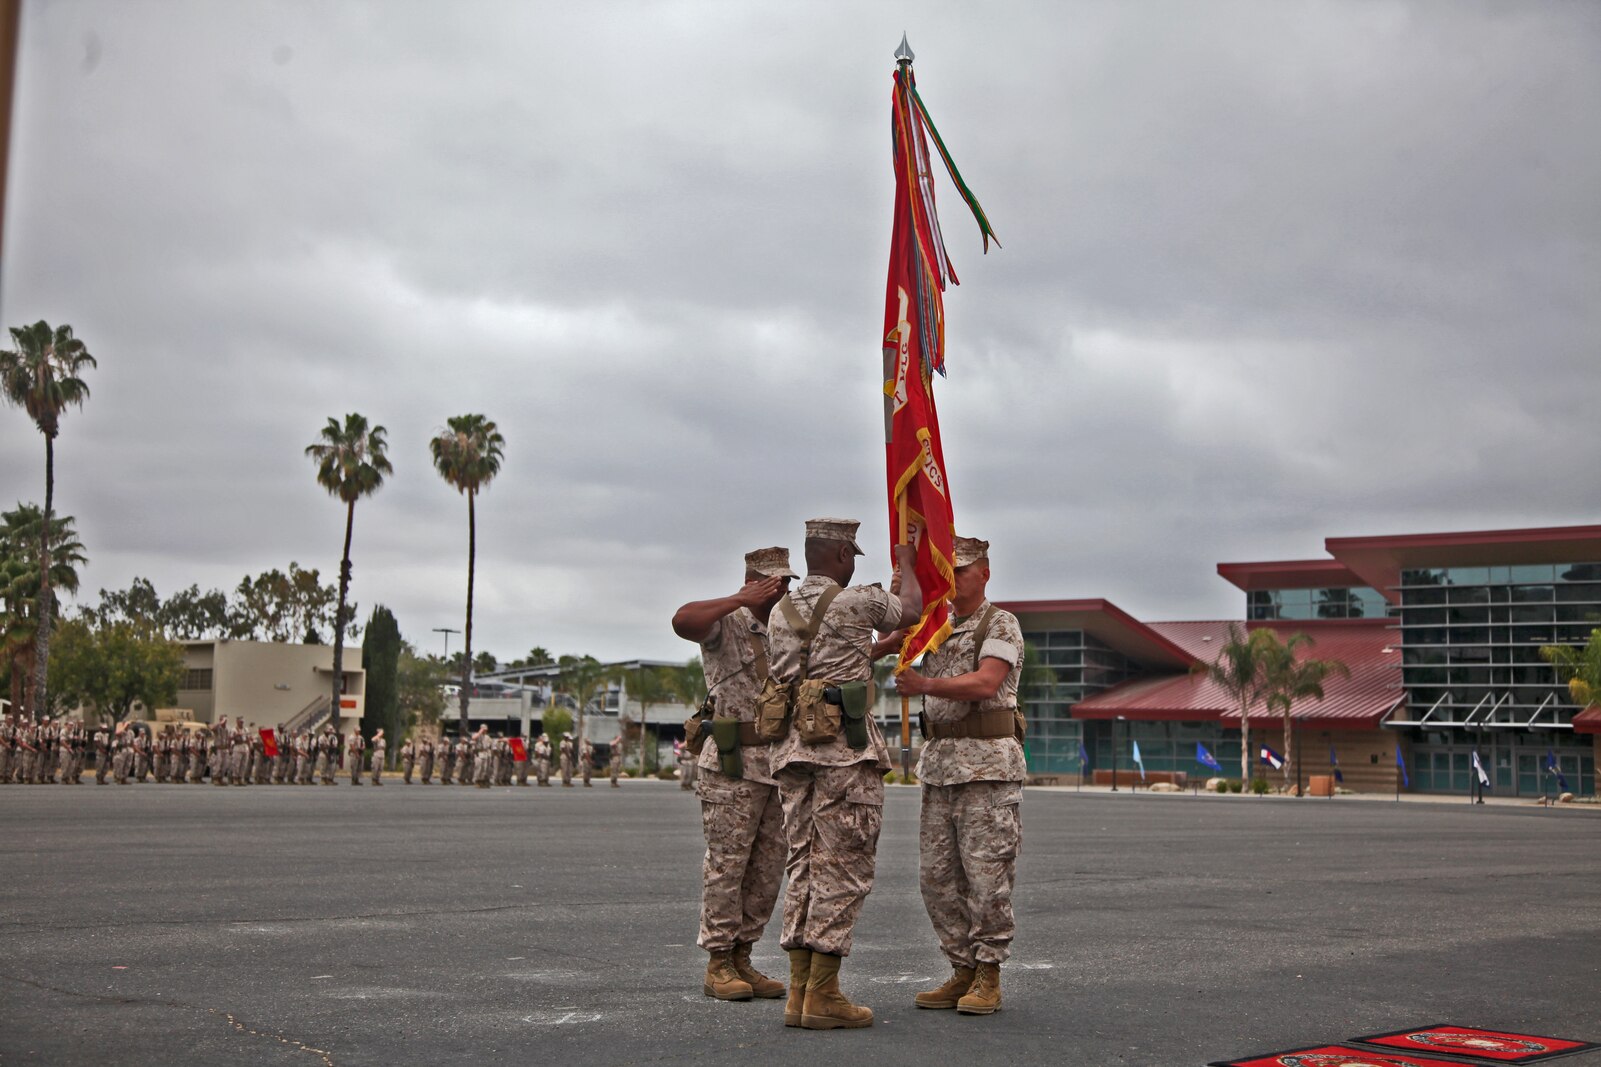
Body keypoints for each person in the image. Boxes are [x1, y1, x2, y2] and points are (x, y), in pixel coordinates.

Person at [767, 518, 922, 1030]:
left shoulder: (778, 614)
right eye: (852, 555)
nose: (856, 563)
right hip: (843, 755)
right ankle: (825, 995)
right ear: (837, 555)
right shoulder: (857, 602)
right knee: (845, 868)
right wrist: (904, 563)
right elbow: (915, 609)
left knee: (804, 866)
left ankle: (798, 993)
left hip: (792, 752)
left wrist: (876, 643)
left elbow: (826, 659)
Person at [893, 536, 1025, 1017]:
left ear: (985, 572)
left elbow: (986, 682)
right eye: (948, 571)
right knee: (937, 879)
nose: (955, 579)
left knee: (987, 877)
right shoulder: (935, 625)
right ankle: (962, 969)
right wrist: (905, 576)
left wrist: (925, 683)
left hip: (988, 770)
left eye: (963, 570)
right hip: (941, 768)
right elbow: (893, 637)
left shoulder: (1000, 623)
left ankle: (988, 973)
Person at [671, 546, 797, 1003]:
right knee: (728, 865)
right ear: (754, 580)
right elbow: (683, 620)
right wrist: (740, 599)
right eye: (776, 582)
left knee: (767, 870)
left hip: (777, 766)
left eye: (787, 582)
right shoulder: (726, 621)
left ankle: (744, 955)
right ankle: (718, 961)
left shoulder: (787, 627)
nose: (784, 589)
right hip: (732, 765)